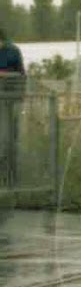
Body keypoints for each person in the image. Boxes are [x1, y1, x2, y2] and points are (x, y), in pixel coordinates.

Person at [0, 27, 24, 189]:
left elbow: (20, 76)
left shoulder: (12, 51)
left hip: (9, 103)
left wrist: (4, 75)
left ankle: (10, 180)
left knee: (8, 141)